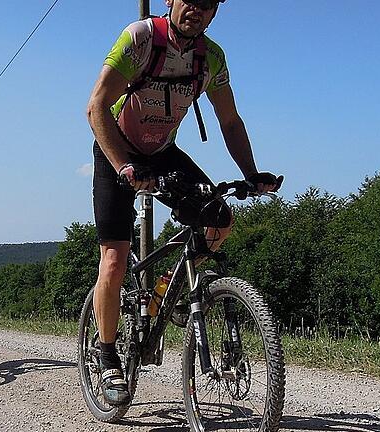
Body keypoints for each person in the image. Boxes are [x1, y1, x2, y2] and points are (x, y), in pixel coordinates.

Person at [86, 0, 282, 406]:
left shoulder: (211, 57)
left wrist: (251, 173)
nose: (198, 9)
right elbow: (96, 107)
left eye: (209, 4)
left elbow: (230, 120)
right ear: (171, 1)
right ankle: (107, 358)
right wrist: (124, 165)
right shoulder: (140, 38)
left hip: (164, 152)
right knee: (114, 261)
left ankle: (164, 293)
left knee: (220, 219)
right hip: (116, 151)